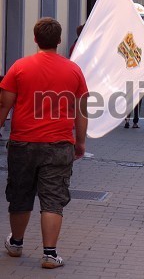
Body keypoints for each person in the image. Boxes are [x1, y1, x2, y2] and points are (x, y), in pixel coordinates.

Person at [0, 17, 88, 268]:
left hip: (23, 142)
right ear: (59, 40)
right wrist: (79, 142)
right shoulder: (73, 70)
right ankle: (50, 254)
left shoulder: (19, 67)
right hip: (59, 144)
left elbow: (4, 104)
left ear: (35, 39)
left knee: (20, 194)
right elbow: (82, 111)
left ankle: (16, 243)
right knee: (53, 199)